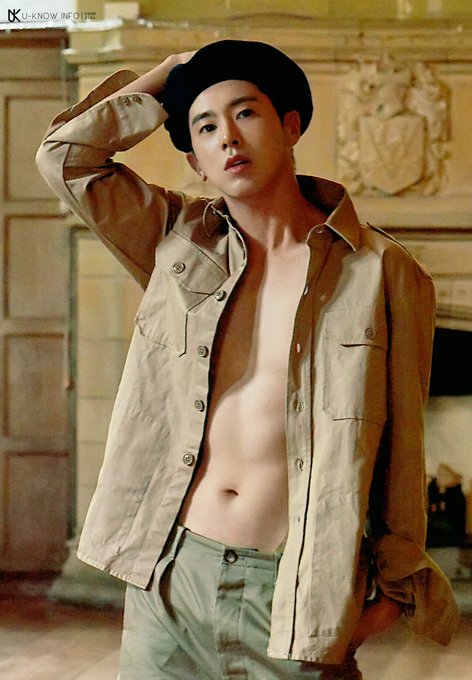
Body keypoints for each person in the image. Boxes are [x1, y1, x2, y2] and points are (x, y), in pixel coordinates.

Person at [36, 40, 458, 679]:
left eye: (246, 113)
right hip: (169, 579)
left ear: (290, 126)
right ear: (196, 162)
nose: (228, 138)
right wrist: (170, 75)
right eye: (205, 127)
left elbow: (402, 447)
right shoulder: (176, 241)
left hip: (293, 592)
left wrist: (390, 600)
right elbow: (64, 158)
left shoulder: (384, 273)